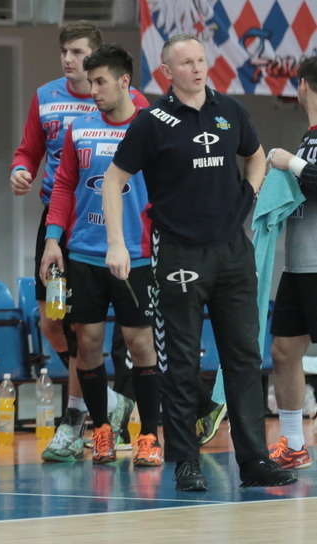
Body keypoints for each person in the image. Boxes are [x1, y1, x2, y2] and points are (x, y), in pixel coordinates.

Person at [102, 33, 297, 491]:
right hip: (178, 252)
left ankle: (254, 461)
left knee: (244, 357)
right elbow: (113, 179)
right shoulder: (152, 121)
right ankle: (186, 462)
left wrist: (248, 195)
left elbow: (255, 157)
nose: (197, 68)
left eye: (201, 60)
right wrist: (116, 244)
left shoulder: (230, 111)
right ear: (167, 72)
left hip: (231, 251)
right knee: (182, 361)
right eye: (186, 62)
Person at [10, 21, 147, 462]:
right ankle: (102, 400)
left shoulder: (133, 104)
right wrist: (21, 170)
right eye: (65, 52)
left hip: (119, 232)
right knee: (53, 323)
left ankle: (74, 419)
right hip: (62, 224)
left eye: (79, 53)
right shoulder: (47, 97)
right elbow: (30, 150)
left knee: (99, 330)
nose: (70, 60)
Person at [41, 45, 162, 467]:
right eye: (90, 82)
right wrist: (53, 240)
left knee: (140, 343)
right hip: (84, 254)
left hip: (137, 255)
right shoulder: (80, 128)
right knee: (87, 343)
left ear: (124, 81)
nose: (92, 90)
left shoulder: (150, 128)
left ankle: (149, 434)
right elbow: (63, 186)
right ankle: (102, 430)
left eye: (100, 82)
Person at [266, 55, 317, 469]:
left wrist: (291, 163)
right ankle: (294, 443)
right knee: (284, 350)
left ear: (302, 85)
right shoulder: (308, 135)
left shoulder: (301, 148)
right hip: (299, 265)